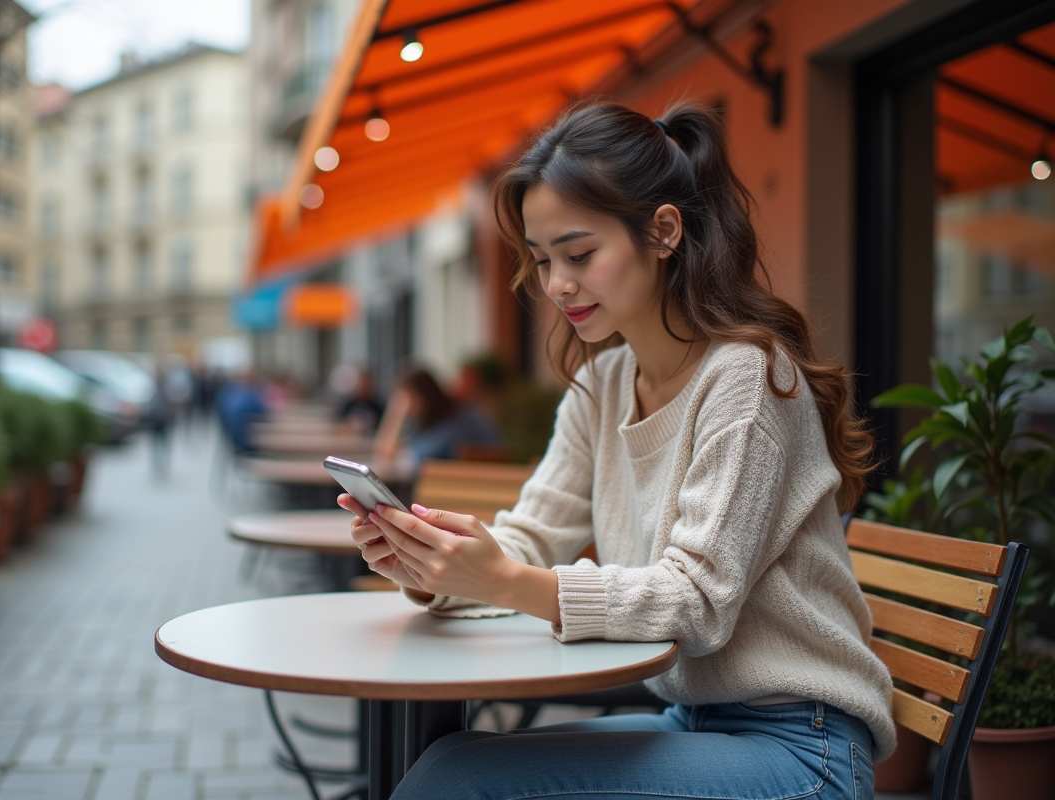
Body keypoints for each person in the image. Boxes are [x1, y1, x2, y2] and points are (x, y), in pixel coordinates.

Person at [339, 102, 894, 800]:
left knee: (455, 783)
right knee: (450, 765)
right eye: (543, 259)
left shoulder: (747, 379)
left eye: (579, 255)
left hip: (802, 748)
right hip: (695, 721)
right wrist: (433, 566)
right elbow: (531, 537)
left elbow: (696, 601)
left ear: (663, 231)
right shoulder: (603, 384)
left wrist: (504, 581)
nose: (556, 285)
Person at [372, 366, 502, 464]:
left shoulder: (459, 419)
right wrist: (396, 414)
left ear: (424, 396)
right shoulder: (429, 420)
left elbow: (416, 459)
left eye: (406, 398)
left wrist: (396, 413)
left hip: (480, 486)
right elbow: (385, 452)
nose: (405, 405)